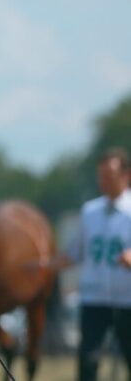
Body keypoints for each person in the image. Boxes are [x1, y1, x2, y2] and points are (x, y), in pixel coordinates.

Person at [61, 148, 131, 381]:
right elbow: (74, 253)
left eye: (110, 175)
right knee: (88, 363)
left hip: (127, 300)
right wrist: (42, 265)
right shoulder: (90, 211)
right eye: (101, 176)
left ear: (125, 175)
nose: (104, 181)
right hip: (95, 299)